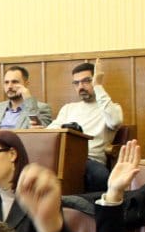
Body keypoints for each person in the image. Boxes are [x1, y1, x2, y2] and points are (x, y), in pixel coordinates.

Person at [47, 60, 123, 191]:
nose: (81, 86)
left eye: (86, 81)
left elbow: (115, 122)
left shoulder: (111, 108)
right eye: (76, 83)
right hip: (63, 157)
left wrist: (98, 86)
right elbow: (51, 132)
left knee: (100, 176)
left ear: (95, 81)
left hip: (90, 159)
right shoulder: (68, 108)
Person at [0, 65, 53, 129]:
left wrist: (28, 98)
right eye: (6, 82)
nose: (9, 86)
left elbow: (41, 133)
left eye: (14, 82)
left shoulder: (42, 108)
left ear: (26, 84)